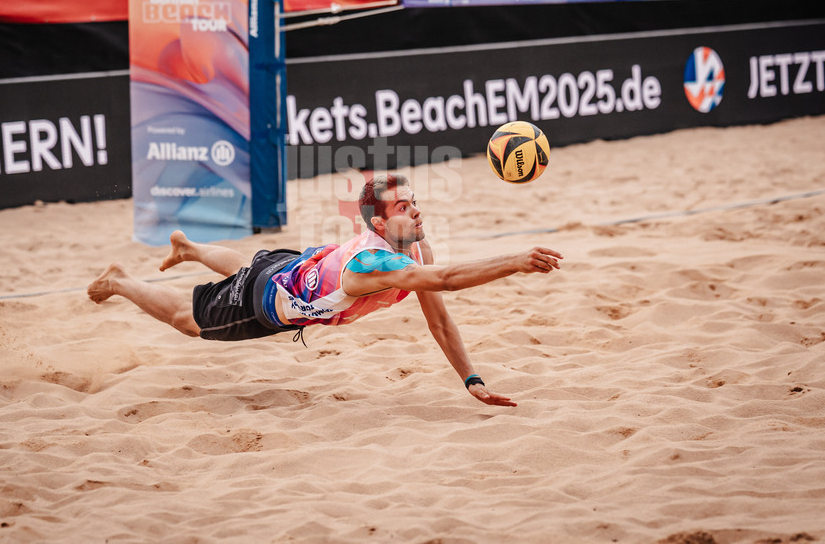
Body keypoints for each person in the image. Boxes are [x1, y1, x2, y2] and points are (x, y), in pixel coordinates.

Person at [87, 174, 564, 407]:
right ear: (380, 222)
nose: (416, 212)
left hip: (294, 265)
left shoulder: (417, 251)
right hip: (268, 301)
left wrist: (471, 380)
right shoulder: (372, 265)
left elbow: (438, 318)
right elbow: (444, 283)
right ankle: (121, 279)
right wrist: (516, 262)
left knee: (250, 265)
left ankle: (190, 248)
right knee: (189, 323)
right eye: (403, 207)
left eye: (414, 202)